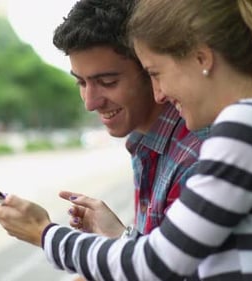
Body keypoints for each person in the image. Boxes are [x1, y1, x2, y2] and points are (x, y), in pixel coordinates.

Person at [0, 0, 252, 280]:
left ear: (201, 58)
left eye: (156, 73)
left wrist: (44, 233)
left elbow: (158, 263)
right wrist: (119, 237)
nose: (159, 94)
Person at [52, 0, 208, 240]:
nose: (90, 103)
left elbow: (166, 270)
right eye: (81, 83)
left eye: (107, 83)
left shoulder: (195, 159)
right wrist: (116, 238)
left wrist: (41, 233)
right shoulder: (144, 144)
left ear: (150, 69)